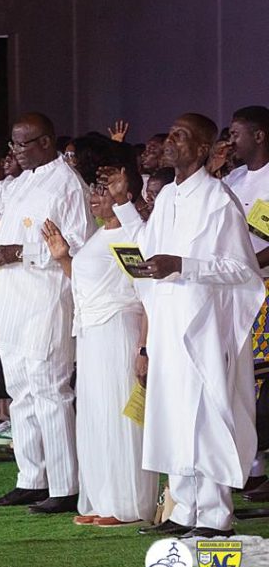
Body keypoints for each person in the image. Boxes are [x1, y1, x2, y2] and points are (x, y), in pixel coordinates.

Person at [106, 113, 263, 538]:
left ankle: (214, 515)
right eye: (170, 133)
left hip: (204, 325)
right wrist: (123, 207)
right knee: (174, 413)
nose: (169, 142)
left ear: (201, 149)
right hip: (168, 320)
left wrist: (183, 265)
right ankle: (184, 508)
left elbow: (242, 269)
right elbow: (148, 249)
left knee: (205, 417)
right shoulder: (169, 198)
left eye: (180, 136)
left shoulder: (218, 200)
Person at [0, 114, 94, 513]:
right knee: (21, 394)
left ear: (46, 142)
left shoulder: (68, 184)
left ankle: (65, 486)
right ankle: (31, 478)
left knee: (50, 392)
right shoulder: (24, 180)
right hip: (12, 303)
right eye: (13, 144)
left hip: (46, 300)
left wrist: (24, 252)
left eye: (23, 144)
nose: (16, 151)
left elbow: (81, 244)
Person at [41, 169, 158, 527]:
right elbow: (89, 286)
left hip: (119, 331)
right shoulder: (98, 234)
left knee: (119, 418)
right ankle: (101, 498)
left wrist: (144, 348)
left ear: (125, 194)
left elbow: (148, 294)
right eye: (94, 191)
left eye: (103, 191)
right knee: (95, 416)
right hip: (92, 334)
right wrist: (63, 258)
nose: (94, 198)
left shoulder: (133, 234)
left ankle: (127, 505)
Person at [223, 105, 269, 502]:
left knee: (264, 378)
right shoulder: (233, 179)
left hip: (264, 287)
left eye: (236, 134)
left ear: (259, 135)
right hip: (234, 290)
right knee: (242, 377)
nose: (230, 141)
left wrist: (247, 265)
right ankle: (250, 468)